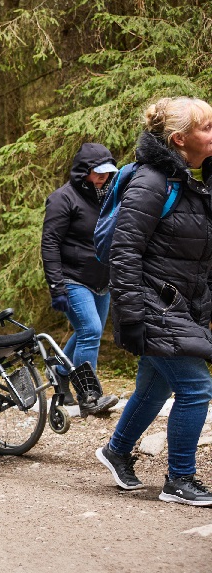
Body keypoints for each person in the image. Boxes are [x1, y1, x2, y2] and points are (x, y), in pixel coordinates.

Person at [96, 96, 212, 506]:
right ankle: (179, 479)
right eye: (207, 128)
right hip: (153, 305)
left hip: (178, 304)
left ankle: (116, 449)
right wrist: (132, 315)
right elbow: (124, 252)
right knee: (197, 387)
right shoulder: (151, 182)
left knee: (156, 384)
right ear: (180, 139)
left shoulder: (189, 180)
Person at [41, 142, 120, 414]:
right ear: (83, 171)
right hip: (72, 278)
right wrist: (56, 287)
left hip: (102, 280)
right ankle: (89, 395)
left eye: (108, 172)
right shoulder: (63, 198)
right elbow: (49, 243)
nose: (103, 176)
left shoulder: (108, 196)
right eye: (98, 172)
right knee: (91, 331)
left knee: (86, 331)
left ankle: (60, 370)